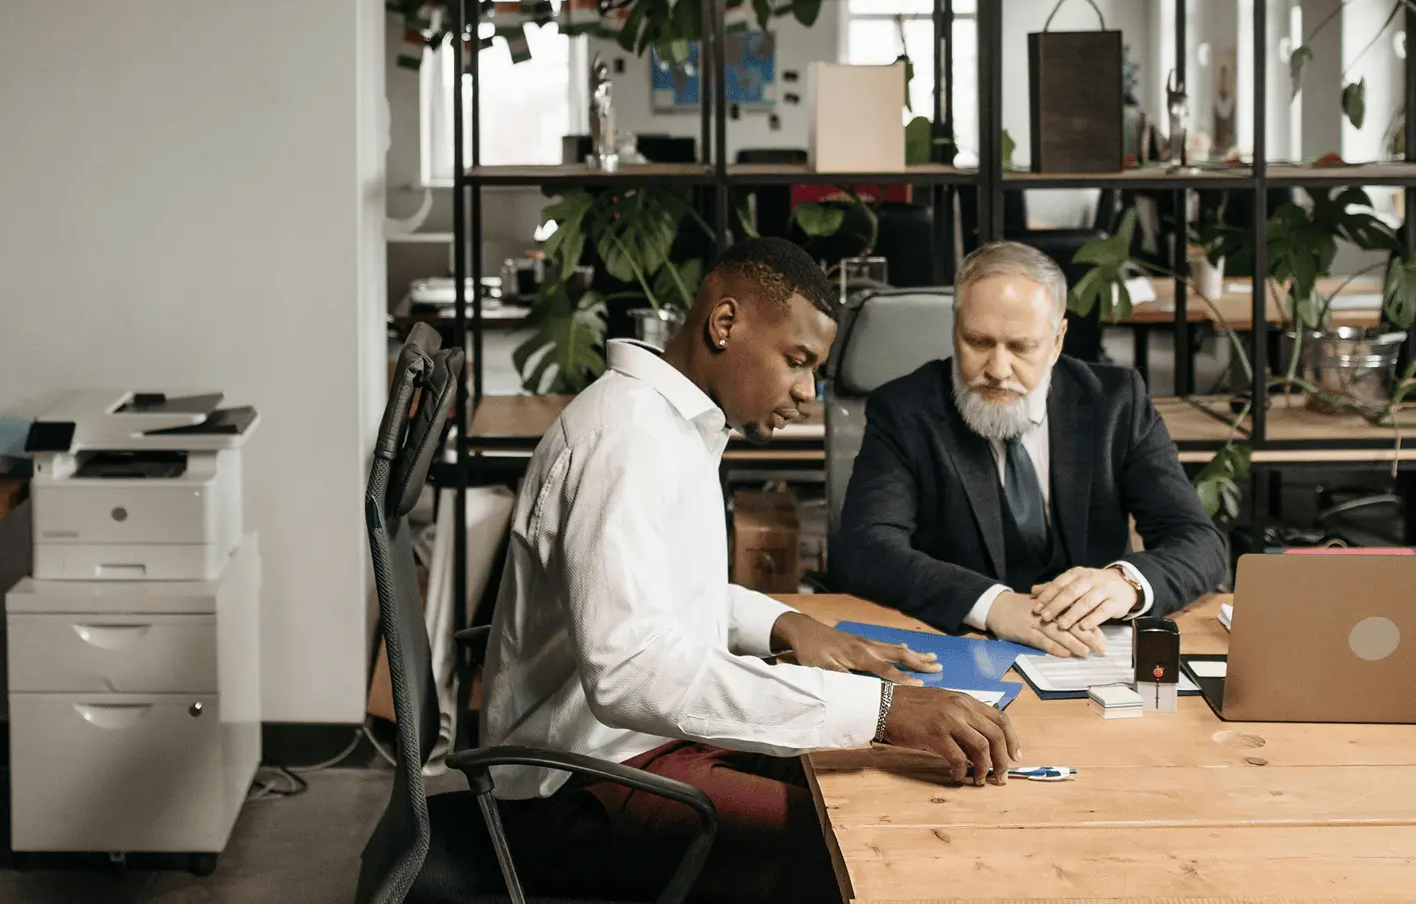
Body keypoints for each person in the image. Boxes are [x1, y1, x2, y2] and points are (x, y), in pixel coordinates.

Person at [479, 237, 1021, 904]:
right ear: (725, 322)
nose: (804, 392)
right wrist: (886, 708)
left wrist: (790, 623)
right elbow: (630, 674)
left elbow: (665, 589)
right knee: (861, 842)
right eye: (797, 361)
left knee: (868, 778)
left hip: (641, 747)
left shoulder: (669, 426)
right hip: (574, 791)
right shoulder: (627, 441)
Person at [830, 240, 1229, 655]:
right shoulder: (904, 410)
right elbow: (865, 547)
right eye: (978, 342)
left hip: (1090, 652)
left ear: (1057, 341)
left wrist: (1125, 582)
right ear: (955, 327)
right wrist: (993, 605)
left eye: (1022, 347)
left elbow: (1198, 540)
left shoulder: (1116, 403)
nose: (998, 370)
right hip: (962, 650)